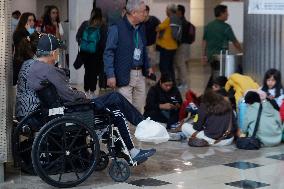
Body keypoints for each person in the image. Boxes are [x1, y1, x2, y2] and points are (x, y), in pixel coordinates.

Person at [15, 33, 156, 163]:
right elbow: (69, 96)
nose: (57, 54)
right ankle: (140, 128)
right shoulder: (48, 70)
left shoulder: (33, 67)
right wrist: (84, 95)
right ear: (52, 52)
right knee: (114, 98)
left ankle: (130, 149)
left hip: (54, 109)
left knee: (114, 108)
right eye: (57, 51)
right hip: (70, 109)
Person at [104, 0, 153, 113]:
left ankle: (136, 130)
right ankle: (127, 131)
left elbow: (143, 49)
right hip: (124, 73)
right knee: (126, 108)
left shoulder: (141, 28)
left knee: (138, 107)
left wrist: (148, 66)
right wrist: (110, 75)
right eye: (143, 11)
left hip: (140, 74)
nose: (145, 14)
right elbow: (108, 53)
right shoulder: (116, 28)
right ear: (134, 13)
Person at [202, 4, 242, 89]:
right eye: (226, 12)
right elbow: (234, 41)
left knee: (215, 74)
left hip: (211, 56)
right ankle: (213, 92)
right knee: (219, 78)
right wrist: (242, 51)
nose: (228, 14)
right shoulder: (226, 27)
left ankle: (209, 92)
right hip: (221, 57)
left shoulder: (209, 26)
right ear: (221, 13)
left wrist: (204, 55)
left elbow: (204, 41)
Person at [76, 8, 107, 98]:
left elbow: (78, 36)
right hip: (97, 54)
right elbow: (104, 41)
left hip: (86, 53)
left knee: (87, 72)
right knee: (94, 72)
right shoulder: (103, 25)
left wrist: (84, 45)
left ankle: (86, 90)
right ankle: (92, 91)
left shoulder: (86, 24)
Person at [156, 4, 180, 80]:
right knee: (170, 66)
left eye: (166, 10)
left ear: (169, 11)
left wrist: (158, 27)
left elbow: (158, 28)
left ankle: (165, 81)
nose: (166, 11)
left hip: (166, 47)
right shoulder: (177, 19)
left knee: (163, 66)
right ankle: (172, 81)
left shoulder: (169, 19)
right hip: (173, 46)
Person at [13, 12, 36, 85]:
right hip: (21, 62)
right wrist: (30, 32)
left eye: (33, 20)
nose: (32, 22)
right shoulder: (18, 33)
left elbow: (35, 45)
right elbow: (25, 46)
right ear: (24, 21)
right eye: (29, 20)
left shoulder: (32, 32)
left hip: (30, 62)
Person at [174, 5, 193, 89]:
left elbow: (178, 35)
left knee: (181, 63)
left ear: (180, 12)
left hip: (182, 45)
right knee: (179, 63)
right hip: (182, 44)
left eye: (176, 11)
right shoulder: (182, 21)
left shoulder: (181, 22)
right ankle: (180, 81)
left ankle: (184, 82)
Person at [144, 5, 160, 70]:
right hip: (142, 45)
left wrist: (157, 40)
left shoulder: (154, 19)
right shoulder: (140, 20)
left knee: (152, 61)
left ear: (147, 11)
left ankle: (151, 74)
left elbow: (160, 29)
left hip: (151, 45)